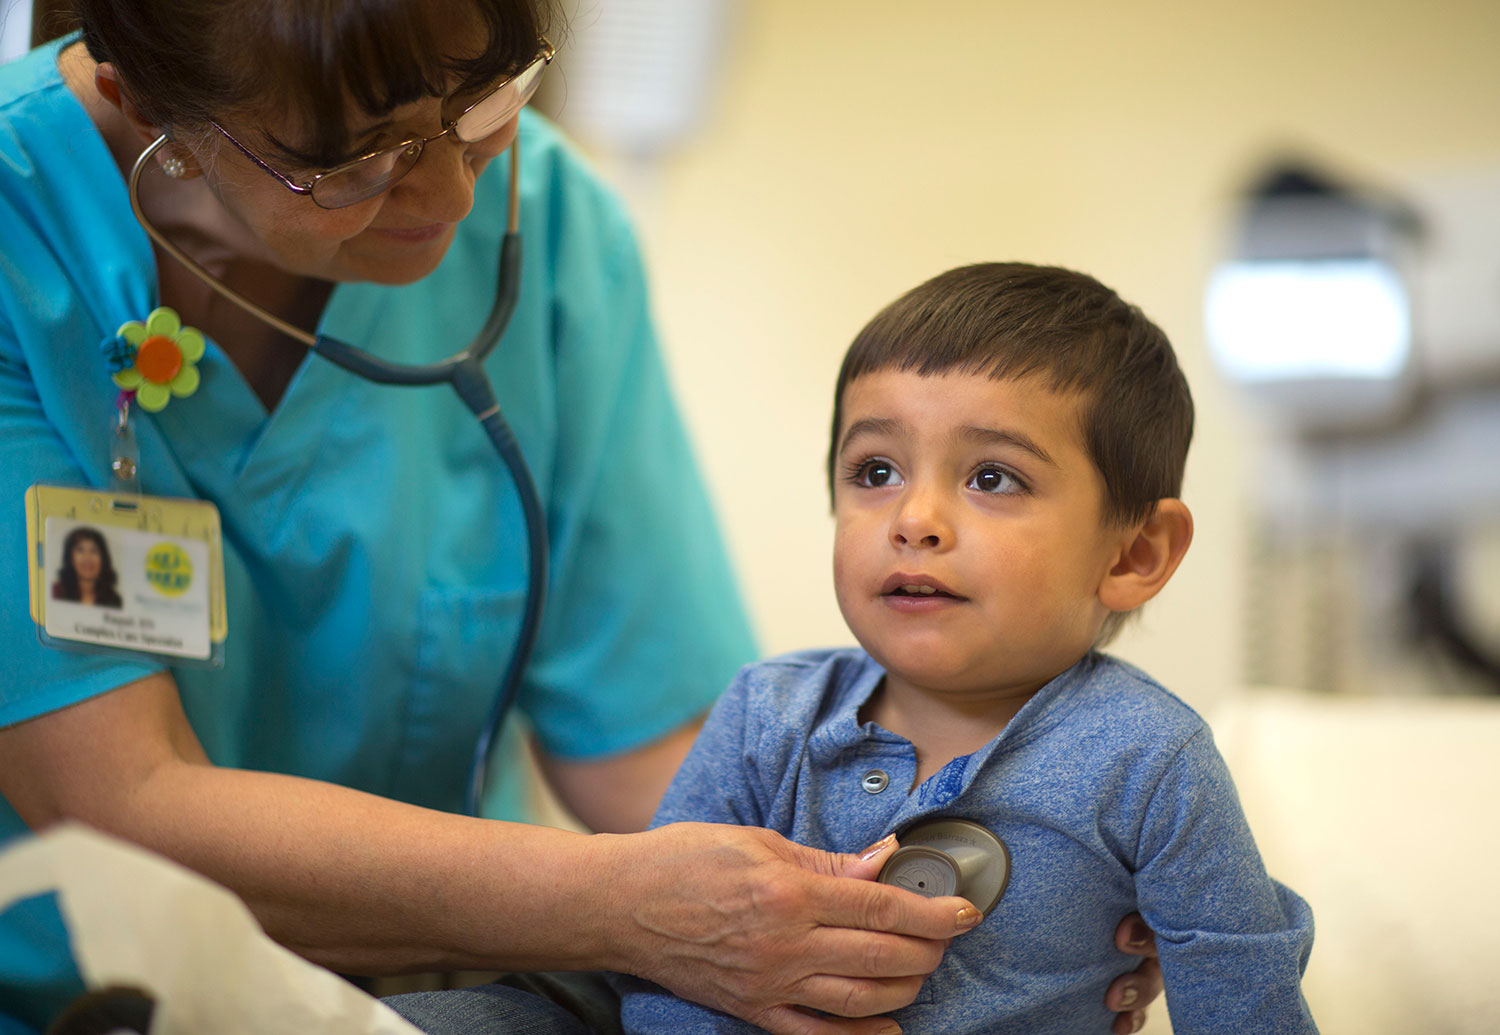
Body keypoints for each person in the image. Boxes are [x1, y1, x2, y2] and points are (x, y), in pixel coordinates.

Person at [0, 2, 1164, 1032]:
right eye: (350, 159)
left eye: (481, 100)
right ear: (136, 91)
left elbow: (650, 751)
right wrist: (627, 908)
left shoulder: (546, 216)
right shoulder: (18, 227)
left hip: (436, 992)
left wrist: (915, 908)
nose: (451, 190)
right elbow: (115, 804)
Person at [618, 263, 1318, 1034]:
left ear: (1134, 553)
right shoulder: (765, 712)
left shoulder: (1152, 761)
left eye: (992, 477)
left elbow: (1245, 994)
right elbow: (661, 950)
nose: (915, 519)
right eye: (876, 471)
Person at [50, 527, 124, 608]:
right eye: (80, 550)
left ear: (103, 558)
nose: (87, 558)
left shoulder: (113, 601)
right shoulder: (56, 593)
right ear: (70, 557)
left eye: (94, 551)